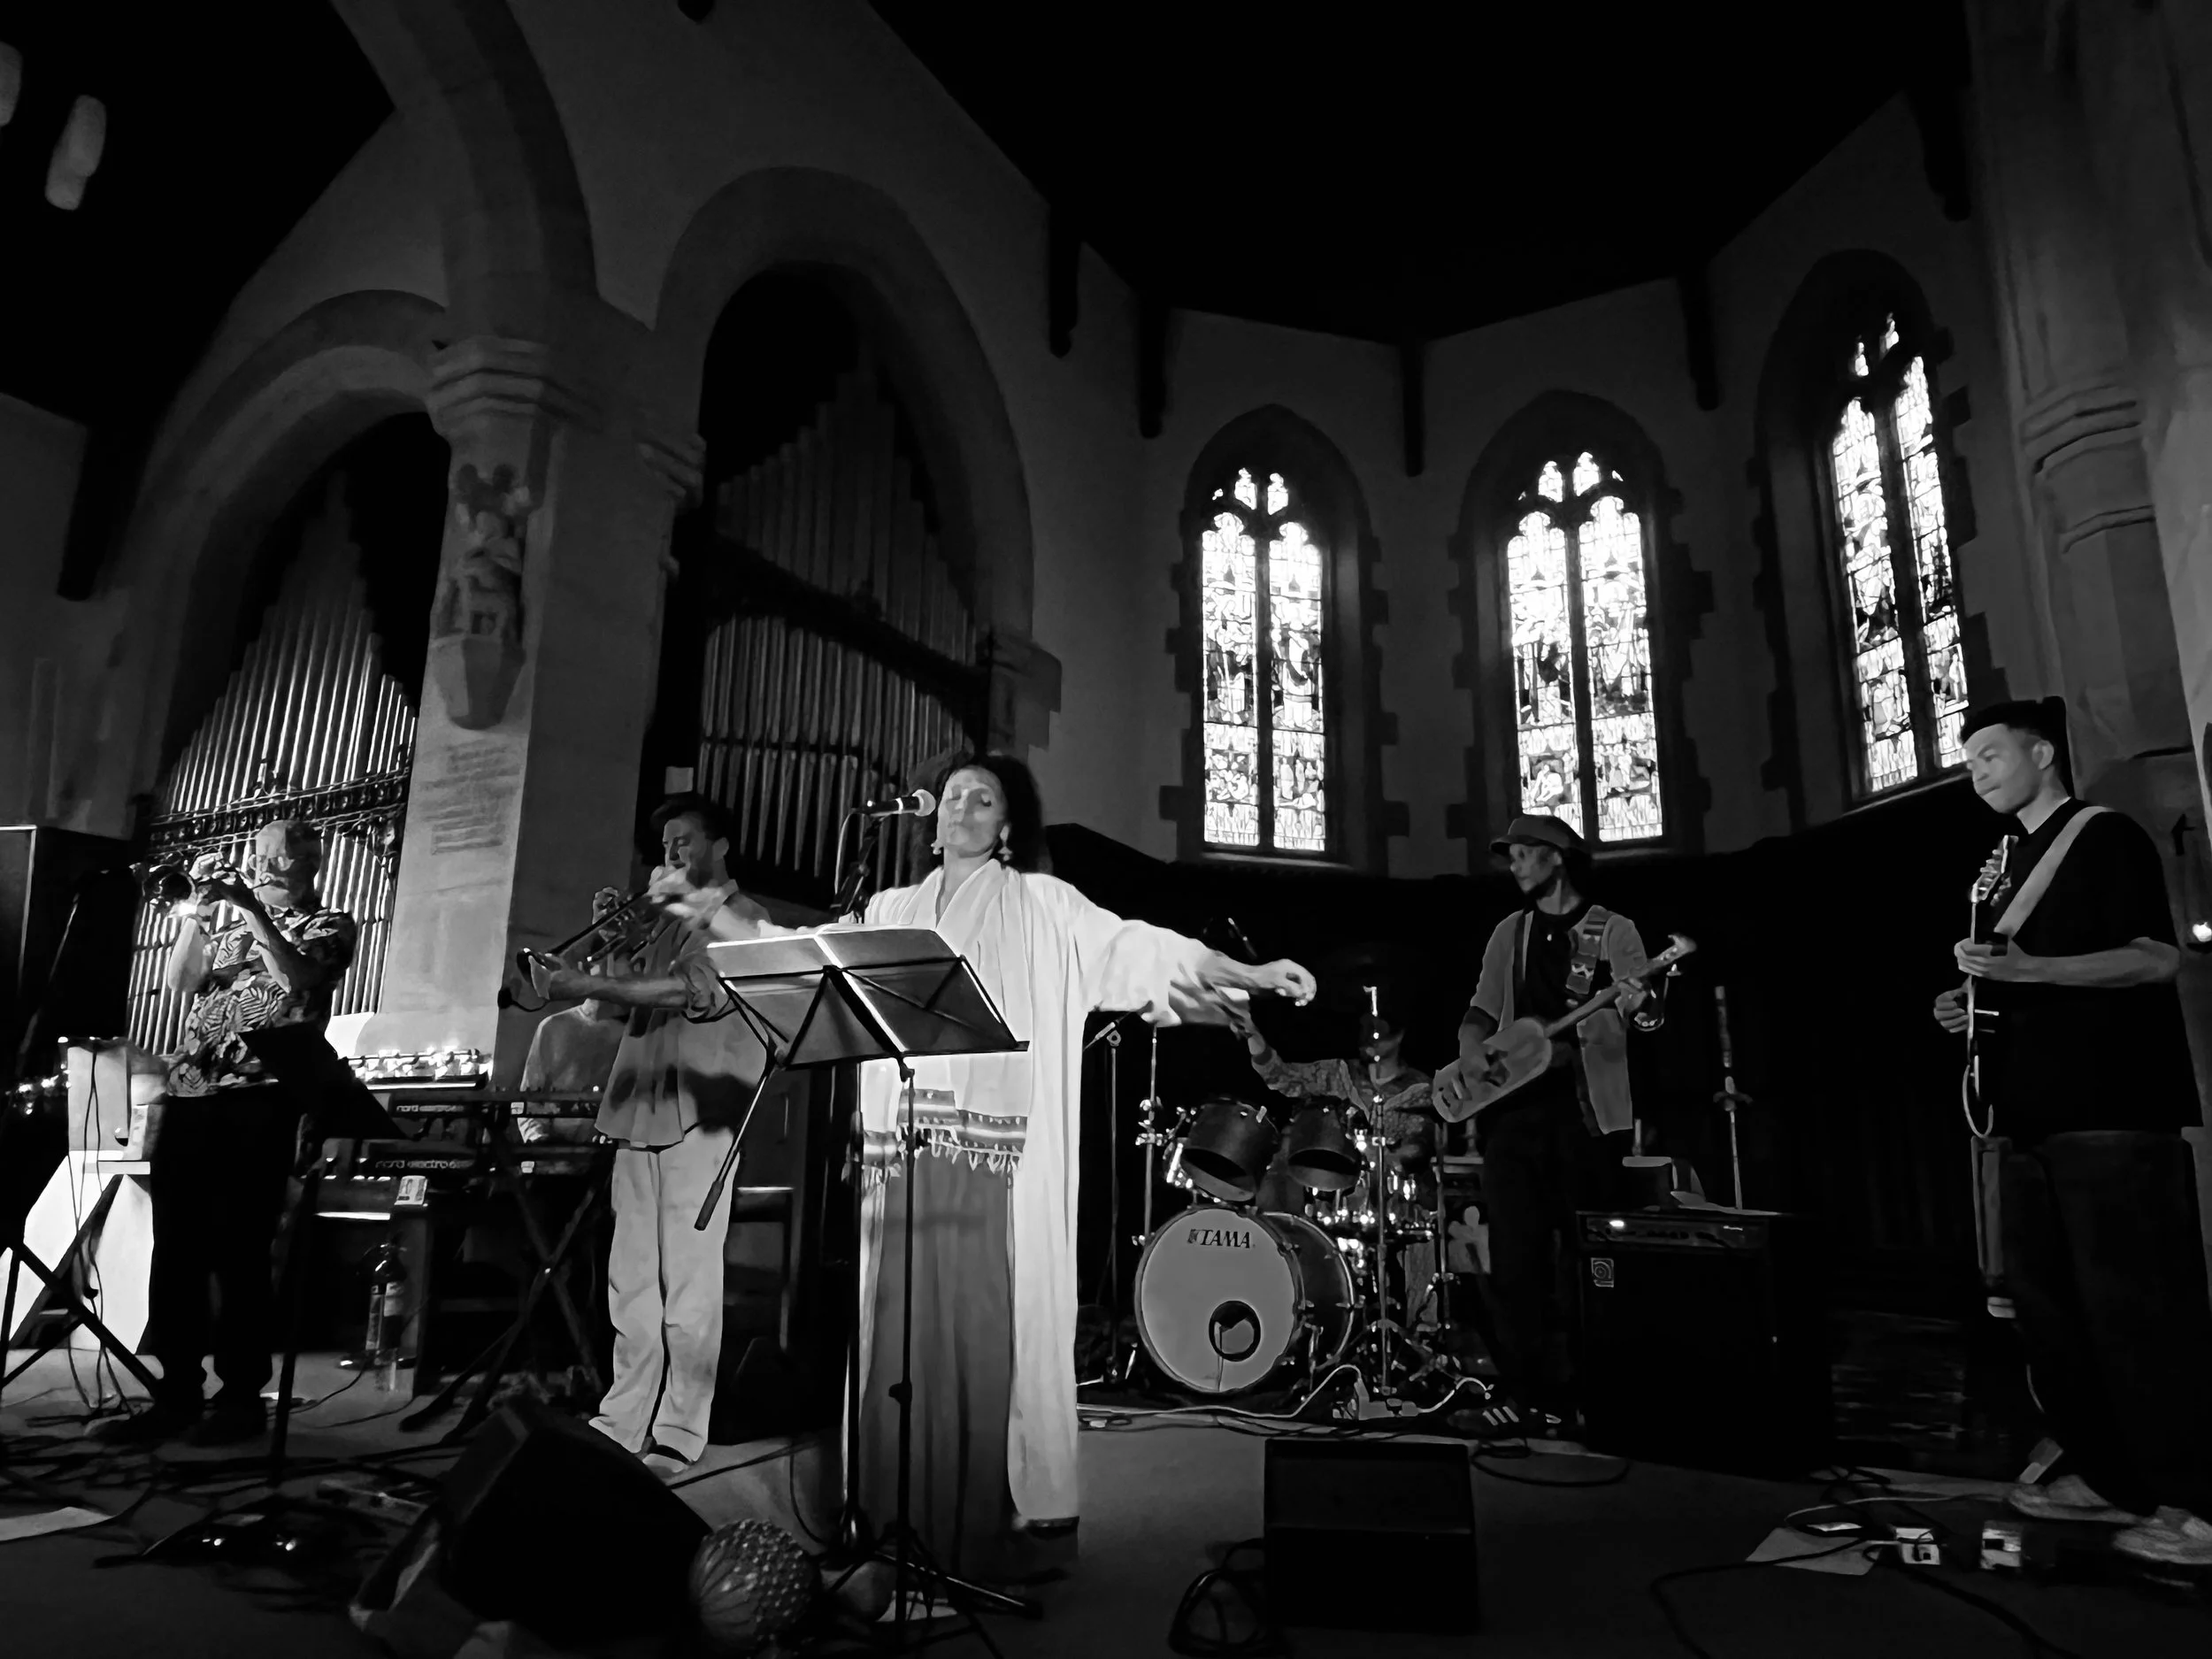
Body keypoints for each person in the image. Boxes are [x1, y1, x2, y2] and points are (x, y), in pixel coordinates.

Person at [710, 755, 1314, 1587]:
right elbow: (808, 961)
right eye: (953, 795)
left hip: (993, 1167)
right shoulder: (892, 908)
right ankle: (891, 1526)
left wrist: (1241, 970)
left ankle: (974, 1528)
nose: (961, 806)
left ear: (1006, 825)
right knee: (896, 1340)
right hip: (901, 1161)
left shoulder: (1044, 905)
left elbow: (1137, 949)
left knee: (979, 1332)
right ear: (932, 817)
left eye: (981, 798)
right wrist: (725, 916)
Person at [1933, 700, 2212, 1567]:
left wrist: (2032, 972)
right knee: (2057, 1323)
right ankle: (2110, 1476)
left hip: (2110, 1116)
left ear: (2041, 753)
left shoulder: (2103, 837)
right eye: (1969, 758)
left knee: (2141, 1318)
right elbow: (2016, 978)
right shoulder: (2006, 862)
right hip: (2026, 1121)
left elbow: (2155, 957)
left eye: (1990, 753)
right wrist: (1972, 1002)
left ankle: (2198, 1505)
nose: (1976, 769)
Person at [526, 795, 768, 1476]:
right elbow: (603, 1007)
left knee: (687, 1286)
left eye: (685, 838)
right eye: (665, 841)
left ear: (720, 847)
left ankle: (681, 1431)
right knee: (630, 1282)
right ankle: (623, 1417)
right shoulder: (660, 921)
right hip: (638, 1110)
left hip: (701, 1111)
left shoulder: (738, 919)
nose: (671, 850)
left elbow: (692, 991)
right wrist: (608, 953)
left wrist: (587, 975)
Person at [99, 819, 357, 1446]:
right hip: (190, 1092)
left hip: (264, 1096)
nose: (266, 864)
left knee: (242, 1250)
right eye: (260, 854)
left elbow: (297, 980)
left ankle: (241, 1397)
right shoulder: (229, 923)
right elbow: (181, 981)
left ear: (310, 863)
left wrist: (249, 907)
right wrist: (197, 910)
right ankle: (177, 1391)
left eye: (280, 856)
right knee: (178, 1247)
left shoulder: (330, 924)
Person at [1432, 813, 1658, 1436]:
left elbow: (1644, 1014)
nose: (1515, 866)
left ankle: (1596, 1396)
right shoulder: (1512, 931)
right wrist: (1470, 1041)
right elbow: (1481, 1009)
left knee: (1588, 1267)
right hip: (1514, 1122)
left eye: (1524, 855)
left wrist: (1640, 1004)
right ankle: (1525, 1394)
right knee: (1515, 1264)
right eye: (1512, 857)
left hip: (1586, 1122)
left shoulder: (1614, 931)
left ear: (1556, 858)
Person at [515, 886, 633, 1145]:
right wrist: (540, 1144)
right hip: (550, 1163)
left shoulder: (637, 1033)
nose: (606, 975)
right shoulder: (553, 1028)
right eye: (600, 962)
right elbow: (527, 1104)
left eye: (616, 964)